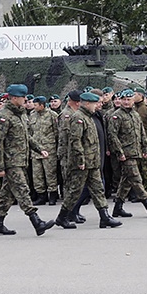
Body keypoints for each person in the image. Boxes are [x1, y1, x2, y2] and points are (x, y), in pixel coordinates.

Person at [0, 84, 56, 236]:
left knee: (7, 194)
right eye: (22, 97)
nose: (26, 100)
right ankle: (37, 222)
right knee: (22, 190)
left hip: (20, 160)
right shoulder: (4, 116)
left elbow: (27, 137)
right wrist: (0, 167)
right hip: (11, 162)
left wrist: (39, 149)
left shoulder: (21, 114)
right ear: (14, 98)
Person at [56, 91, 121, 229]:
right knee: (75, 191)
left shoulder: (88, 117)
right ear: (86, 103)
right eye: (94, 103)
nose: (96, 106)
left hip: (92, 162)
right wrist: (80, 160)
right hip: (83, 163)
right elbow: (75, 141)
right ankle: (62, 217)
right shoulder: (78, 118)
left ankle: (105, 217)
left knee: (98, 190)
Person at [107, 89, 147, 219]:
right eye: (124, 100)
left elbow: (141, 134)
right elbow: (113, 136)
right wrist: (119, 152)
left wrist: (146, 148)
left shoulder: (135, 115)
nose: (126, 102)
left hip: (136, 152)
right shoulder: (117, 116)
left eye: (128, 99)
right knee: (136, 178)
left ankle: (118, 207)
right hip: (126, 153)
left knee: (126, 181)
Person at [28, 96, 59, 205]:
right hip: (36, 150)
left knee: (50, 174)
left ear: (42, 105)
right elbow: (30, 132)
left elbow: (57, 133)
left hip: (49, 149)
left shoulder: (52, 115)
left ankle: (53, 195)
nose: (34, 107)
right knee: (37, 175)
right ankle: (41, 196)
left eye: (36, 105)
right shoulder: (32, 115)